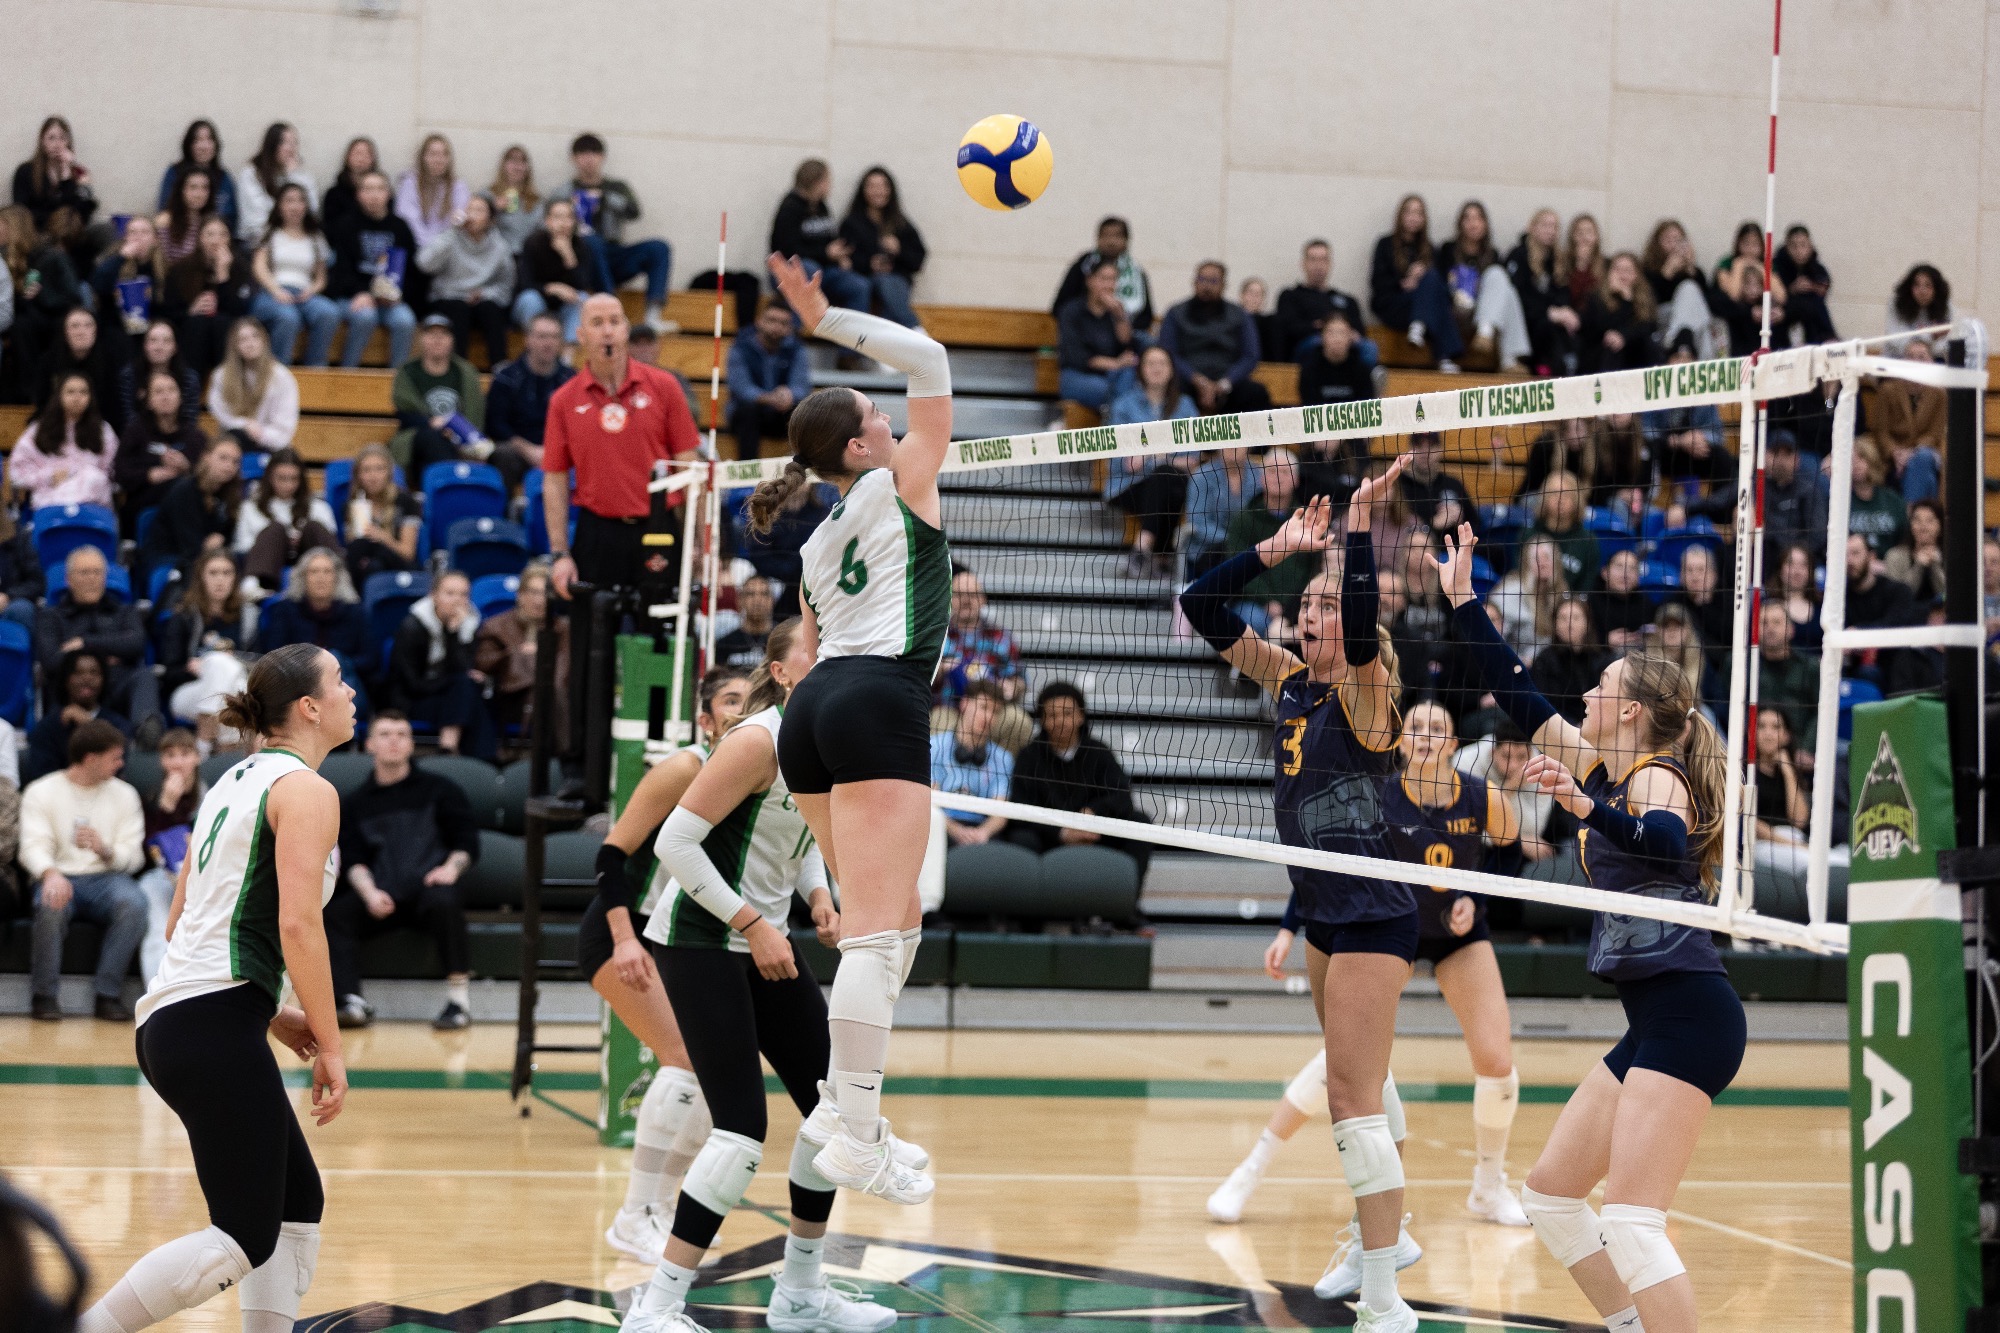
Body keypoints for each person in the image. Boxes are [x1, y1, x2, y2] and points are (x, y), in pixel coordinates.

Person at [1438, 522, 1745, 1333]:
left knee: (1635, 1222)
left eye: (1602, 686)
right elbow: (1521, 696)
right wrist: (1465, 602)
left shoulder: (1660, 779)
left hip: (1691, 1017)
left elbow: (1663, 841)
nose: (1584, 695)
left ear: (1633, 711)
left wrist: (1582, 806)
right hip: (1653, 1025)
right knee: (1550, 1195)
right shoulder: (1612, 771)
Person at [1178, 466, 1424, 1331]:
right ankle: (1389, 1238)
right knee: (1367, 1079)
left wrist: (1356, 530)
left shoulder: (1368, 691)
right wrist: (1272, 550)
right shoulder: (1287, 679)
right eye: (1306, 603)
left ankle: (1386, 1295)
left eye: (1323, 605)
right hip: (1323, 913)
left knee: (1351, 1100)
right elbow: (1202, 606)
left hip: (1374, 915)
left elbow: (1361, 629)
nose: (1308, 613)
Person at [742, 254, 954, 1207]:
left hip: (812, 711)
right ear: (864, 451)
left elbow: (816, 645)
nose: (891, 419)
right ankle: (858, 1127)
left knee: (893, 918)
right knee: (876, 934)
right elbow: (931, 354)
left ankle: (836, 1104)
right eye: (876, 417)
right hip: (875, 702)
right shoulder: (903, 478)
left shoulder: (818, 540)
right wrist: (827, 318)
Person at [623, 624, 907, 1333]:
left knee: (830, 1109)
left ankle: (801, 1291)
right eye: (820, 652)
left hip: (765, 937)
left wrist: (817, 896)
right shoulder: (755, 738)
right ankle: (655, 1306)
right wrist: (753, 921)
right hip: (700, 938)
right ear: (781, 671)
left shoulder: (825, 742)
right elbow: (674, 843)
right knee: (740, 1132)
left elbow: (797, 836)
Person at [76, 645, 354, 1333]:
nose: (352, 692)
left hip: (184, 1017)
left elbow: (181, 922)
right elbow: (297, 923)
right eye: (340, 681)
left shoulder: (229, 783)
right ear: (310, 707)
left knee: (296, 1203)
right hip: (207, 1021)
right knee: (241, 1233)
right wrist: (331, 1042)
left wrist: (271, 1011)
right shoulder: (308, 790)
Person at [1211, 699, 1527, 1233]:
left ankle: (1488, 1188)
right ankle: (1251, 1167)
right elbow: (1326, 866)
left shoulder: (1482, 795)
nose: (1425, 736)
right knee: (1346, 1060)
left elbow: (1513, 850)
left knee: (1497, 1061)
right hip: (1385, 931)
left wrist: (1477, 896)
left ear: (1454, 744)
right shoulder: (1377, 795)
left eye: (1438, 729)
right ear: (1401, 742)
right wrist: (1289, 928)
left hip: (1458, 936)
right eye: (1417, 728)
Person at [582, 664, 750, 1262]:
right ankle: (633, 1215)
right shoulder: (685, 767)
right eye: (729, 700)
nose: (740, 709)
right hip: (622, 933)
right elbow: (611, 854)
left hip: (685, 941)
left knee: (717, 1074)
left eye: (749, 700)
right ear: (705, 718)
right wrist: (625, 939)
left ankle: (663, 1208)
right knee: (683, 1058)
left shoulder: (754, 773)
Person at [324, 711, 480, 1030]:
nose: (394, 741)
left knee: (445, 901)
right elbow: (352, 859)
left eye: (402, 734)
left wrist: (450, 869)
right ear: (369, 745)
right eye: (385, 734)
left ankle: (458, 1003)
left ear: (411, 745)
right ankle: (350, 1002)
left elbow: (466, 841)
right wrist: (369, 894)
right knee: (333, 916)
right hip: (382, 896)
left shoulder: (442, 790)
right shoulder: (354, 803)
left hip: (429, 890)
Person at [544, 294, 702, 597]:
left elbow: (690, 468)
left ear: (626, 330)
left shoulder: (665, 386)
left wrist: (700, 543)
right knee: (595, 634)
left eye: (615, 322)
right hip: (598, 532)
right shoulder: (563, 400)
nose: (607, 331)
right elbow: (554, 479)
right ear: (581, 335)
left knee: (657, 633)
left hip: (658, 528)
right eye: (597, 323)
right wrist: (560, 554)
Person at [22, 718, 146, 1022]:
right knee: (50, 903)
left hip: (107, 877)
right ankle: (44, 995)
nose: (120, 764)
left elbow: (134, 856)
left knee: (134, 904)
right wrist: (50, 873)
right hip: (58, 874)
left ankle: (107, 995)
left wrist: (106, 850)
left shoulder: (125, 794)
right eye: (115, 758)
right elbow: (31, 846)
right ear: (90, 759)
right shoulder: (42, 791)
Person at [1002, 680, 1153, 882]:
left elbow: (1122, 796)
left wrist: (1093, 814)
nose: (1060, 721)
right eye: (1052, 715)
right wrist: (1061, 832)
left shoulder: (1099, 752)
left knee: (1139, 823)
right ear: (1043, 720)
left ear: (1081, 716)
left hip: (1096, 834)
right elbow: (1020, 810)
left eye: (1067, 713)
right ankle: (1028, 909)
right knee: (1021, 838)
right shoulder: (1029, 757)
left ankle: (1124, 906)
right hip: (1049, 839)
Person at [37, 546, 164, 741]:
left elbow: (136, 644)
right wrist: (110, 652)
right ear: (68, 579)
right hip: (73, 692)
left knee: (145, 676)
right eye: (84, 572)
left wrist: (84, 644)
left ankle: (147, 736)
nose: (91, 578)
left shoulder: (125, 611)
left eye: (97, 572)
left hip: (117, 687)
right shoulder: (51, 616)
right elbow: (51, 661)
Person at [1105, 345, 1198, 576]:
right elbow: (1123, 464)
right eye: (1150, 363)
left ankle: (1142, 549)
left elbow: (1192, 460)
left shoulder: (1185, 406)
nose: (1156, 368)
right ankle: (1162, 554)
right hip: (1128, 486)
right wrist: (1165, 457)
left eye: (1162, 363)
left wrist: (1149, 456)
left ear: (1171, 370)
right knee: (1168, 478)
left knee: (1167, 478)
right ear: (1141, 370)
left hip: (1170, 482)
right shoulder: (1123, 406)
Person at [567, 133, 674, 331]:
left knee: (659, 247)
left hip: (614, 254)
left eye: (594, 153)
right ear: (574, 159)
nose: (588, 159)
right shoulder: (566, 190)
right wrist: (570, 208)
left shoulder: (617, 187)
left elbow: (634, 212)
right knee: (591, 241)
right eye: (582, 153)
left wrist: (605, 198)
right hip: (583, 260)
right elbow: (550, 220)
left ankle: (653, 315)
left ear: (602, 157)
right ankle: (614, 311)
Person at [386, 570, 494, 760]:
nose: (457, 601)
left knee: (471, 689)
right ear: (433, 596)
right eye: (450, 593)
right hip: (413, 700)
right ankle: (483, 762)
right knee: (467, 690)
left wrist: (454, 634)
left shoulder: (468, 625)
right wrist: (452, 682)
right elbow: (413, 684)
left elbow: (461, 669)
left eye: (463, 595)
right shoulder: (412, 626)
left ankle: (449, 747)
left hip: (449, 699)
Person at [258, 546, 376, 710]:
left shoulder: (356, 612)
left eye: (327, 572)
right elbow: (273, 655)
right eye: (314, 572)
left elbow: (369, 659)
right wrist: (312, 667)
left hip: (345, 682)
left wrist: (334, 665)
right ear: (302, 578)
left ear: (337, 578)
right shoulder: (284, 610)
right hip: (298, 685)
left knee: (333, 659)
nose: (321, 578)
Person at [158, 550, 253, 744]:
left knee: (230, 676)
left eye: (227, 573)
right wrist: (190, 668)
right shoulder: (183, 616)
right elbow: (168, 671)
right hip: (189, 692)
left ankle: (207, 748)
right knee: (219, 664)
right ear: (201, 577)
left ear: (235, 578)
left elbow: (256, 660)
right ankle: (214, 744)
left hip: (235, 688)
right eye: (213, 573)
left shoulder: (247, 617)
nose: (220, 580)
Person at [326, 170, 418, 370]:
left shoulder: (400, 228)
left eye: (379, 189)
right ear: (359, 195)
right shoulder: (346, 224)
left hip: (390, 300)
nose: (374, 195)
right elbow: (340, 271)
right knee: (365, 316)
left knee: (405, 320)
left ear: (388, 194)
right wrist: (364, 292)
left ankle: (397, 383)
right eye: (368, 189)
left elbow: (412, 271)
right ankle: (347, 374)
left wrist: (398, 295)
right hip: (353, 297)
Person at [933, 567, 1031, 750]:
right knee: (937, 722)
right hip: (950, 709)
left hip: (993, 709)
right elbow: (917, 680)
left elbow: (1021, 680)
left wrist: (1012, 687)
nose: (965, 600)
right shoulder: (938, 636)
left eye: (972, 594)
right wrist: (938, 671)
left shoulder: (1002, 637)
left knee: (1018, 721)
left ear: (982, 599)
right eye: (959, 594)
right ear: (950, 600)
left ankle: (1000, 777)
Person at [1159, 261, 1273, 417]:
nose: (1206, 286)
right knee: (1168, 392)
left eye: (1213, 281)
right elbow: (1168, 353)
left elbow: (1251, 356)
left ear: (1223, 285)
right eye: (1202, 279)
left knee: (1256, 393)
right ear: (1194, 282)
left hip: (1229, 384)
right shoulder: (1176, 313)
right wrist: (1196, 379)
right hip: (1187, 381)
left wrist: (1225, 383)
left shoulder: (1240, 315)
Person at [1224, 450, 1315, 639]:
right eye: (1272, 471)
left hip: (1301, 606)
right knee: (1251, 621)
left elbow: (1313, 573)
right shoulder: (1244, 520)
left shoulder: (1307, 520)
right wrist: (1268, 602)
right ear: (1261, 478)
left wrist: (1289, 609)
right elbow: (1238, 569)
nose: (1278, 477)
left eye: (1284, 472)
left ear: (1296, 480)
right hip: (1255, 605)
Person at [135, 728, 202, 984]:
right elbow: (150, 850)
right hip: (163, 877)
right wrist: (166, 807)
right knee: (159, 927)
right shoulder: (151, 797)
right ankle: (156, 993)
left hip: (203, 877)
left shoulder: (212, 795)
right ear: (161, 761)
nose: (177, 762)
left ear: (197, 757)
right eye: (170, 755)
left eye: (185, 754)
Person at [475, 560, 568, 742]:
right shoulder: (496, 626)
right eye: (533, 592)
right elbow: (483, 662)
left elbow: (567, 668)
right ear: (520, 595)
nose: (539, 600)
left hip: (552, 697)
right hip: (510, 698)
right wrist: (522, 655)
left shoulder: (563, 629)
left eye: (545, 593)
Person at [249, 182, 339, 367]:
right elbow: (259, 267)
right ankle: (279, 370)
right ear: (279, 206)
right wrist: (276, 290)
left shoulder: (315, 237)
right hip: (271, 292)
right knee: (288, 317)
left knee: (329, 312)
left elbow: (321, 277)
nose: (295, 206)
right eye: (289, 201)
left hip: (304, 293)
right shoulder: (269, 233)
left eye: (300, 201)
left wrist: (312, 290)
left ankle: (315, 368)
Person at [418, 191, 513, 366]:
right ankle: (458, 370)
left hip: (481, 298)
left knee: (491, 310)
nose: (473, 215)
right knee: (458, 309)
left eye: (479, 210)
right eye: (469, 209)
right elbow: (424, 264)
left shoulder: (499, 247)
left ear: (491, 220)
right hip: (448, 297)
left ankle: (500, 370)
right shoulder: (451, 236)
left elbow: (506, 284)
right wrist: (452, 231)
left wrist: (484, 293)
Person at [390, 313, 488, 478]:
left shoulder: (466, 372)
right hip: (419, 437)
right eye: (431, 334)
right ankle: (444, 484)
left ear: (452, 340)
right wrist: (431, 422)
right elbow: (404, 413)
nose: (437, 339)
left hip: (462, 437)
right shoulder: (407, 371)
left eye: (443, 334)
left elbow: (476, 412)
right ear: (421, 338)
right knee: (434, 438)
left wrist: (462, 434)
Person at [767, 158, 870, 314]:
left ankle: (852, 336)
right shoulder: (790, 207)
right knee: (808, 269)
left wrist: (840, 256)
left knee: (858, 285)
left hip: (822, 270)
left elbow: (829, 239)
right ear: (818, 182)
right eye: (828, 181)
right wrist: (825, 253)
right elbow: (786, 250)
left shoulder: (822, 207)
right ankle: (794, 333)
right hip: (790, 273)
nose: (829, 186)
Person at [1371, 194, 1462, 370]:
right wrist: (1403, 283)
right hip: (1395, 305)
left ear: (1424, 218)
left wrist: (1423, 279)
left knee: (1433, 278)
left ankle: (1419, 324)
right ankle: (1444, 356)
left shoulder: (1431, 248)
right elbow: (1377, 282)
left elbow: (1441, 289)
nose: (1413, 217)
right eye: (1409, 212)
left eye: (1418, 213)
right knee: (1433, 286)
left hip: (1421, 307)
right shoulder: (1385, 244)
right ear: (1401, 216)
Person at [1436, 200, 1531, 368]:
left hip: (1482, 312)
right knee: (1507, 289)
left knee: (1501, 279)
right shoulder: (1447, 250)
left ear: (1485, 224)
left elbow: (1497, 293)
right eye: (1468, 218)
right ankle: (1508, 356)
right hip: (1454, 312)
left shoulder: (1492, 254)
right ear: (1461, 224)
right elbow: (1439, 284)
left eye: (1478, 218)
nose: (1473, 223)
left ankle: (1486, 332)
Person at [140, 436, 241, 592]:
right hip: (171, 558)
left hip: (205, 557)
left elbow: (228, 534)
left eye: (235, 462)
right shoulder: (185, 490)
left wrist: (219, 541)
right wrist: (212, 546)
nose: (229, 466)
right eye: (223, 458)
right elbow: (190, 546)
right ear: (206, 457)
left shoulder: (230, 495)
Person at [235, 447, 338, 594]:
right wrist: (279, 541)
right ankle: (252, 586)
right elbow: (242, 546)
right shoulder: (250, 507)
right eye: (281, 478)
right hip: (268, 568)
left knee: (313, 527)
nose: (288, 485)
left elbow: (329, 542)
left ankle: (340, 584)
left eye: (293, 479)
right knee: (276, 529)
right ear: (270, 477)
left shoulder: (318, 507)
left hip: (310, 562)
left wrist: (298, 542)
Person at [164, 215, 255, 379]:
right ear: (199, 238)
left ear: (229, 239)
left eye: (222, 235)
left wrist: (223, 277)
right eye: (210, 234)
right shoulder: (180, 269)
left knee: (222, 322)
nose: (216, 240)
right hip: (191, 336)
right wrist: (190, 310)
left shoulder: (240, 268)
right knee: (197, 322)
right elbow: (168, 312)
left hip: (224, 336)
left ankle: (228, 386)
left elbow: (239, 312)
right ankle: (190, 388)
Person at [1, 204, 81, 386]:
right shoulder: (4, 259)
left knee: (23, 327)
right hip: (23, 322)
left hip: (54, 319)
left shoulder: (52, 256)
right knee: (21, 326)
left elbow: (73, 297)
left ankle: (36, 391)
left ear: (13, 227)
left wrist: (42, 295)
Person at [11, 369, 117, 509]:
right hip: (50, 504)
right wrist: (49, 477)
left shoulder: (103, 430)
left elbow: (113, 472)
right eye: (70, 392)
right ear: (59, 396)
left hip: (93, 504)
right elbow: (17, 472)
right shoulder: (38, 430)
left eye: (83, 392)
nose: (77, 397)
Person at [836, 165, 925, 329]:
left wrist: (899, 250)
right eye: (872, 186)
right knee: (884, 286)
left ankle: (882, 351)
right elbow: (845, 259)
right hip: (866, 280)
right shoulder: (852, 223)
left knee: (890, 300)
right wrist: (869, 264)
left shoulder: (900, 222)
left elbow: (918, 259)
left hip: (896, 280)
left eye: (883, 186)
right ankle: (915, 328)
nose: (879, 191)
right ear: (863, 190)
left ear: (890, 190)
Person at [25, 649, 130, 784]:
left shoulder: (118, 724)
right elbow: (40, 779)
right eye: (78, 673)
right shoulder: (48, 727)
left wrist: (90, 725)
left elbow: (118, 769)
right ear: (66, 680)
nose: (87, 678)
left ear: (104, 680)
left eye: (94, 673)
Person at [931, 680, 1012, 848]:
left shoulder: (1003, 758)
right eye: (984, 707)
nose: (989, 717)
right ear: (965, 703)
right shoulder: (934, 747)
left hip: (982, 831)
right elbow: (930, 804)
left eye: (996, 712)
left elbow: (1000, 814)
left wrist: (983, 833)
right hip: (941, 825)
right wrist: (956, 830)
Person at [727, 302, 813, 459]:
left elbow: (801, 385)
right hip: (748, 415)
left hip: (781, 413)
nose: (777, 327)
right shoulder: (741, 346)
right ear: (759, 321)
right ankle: (746, 472)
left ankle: (802, 471)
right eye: (771, 320)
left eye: (783, 323)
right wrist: (768, 398)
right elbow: (741, 387)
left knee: (804, 413)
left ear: (790, 328)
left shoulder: (796, 349)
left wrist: (789, 394)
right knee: (748, 410)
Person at [1055, 255, 1138, 412]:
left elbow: (1127, 345)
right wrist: (1116, 364)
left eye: (1113, 279)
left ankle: (1117, 421)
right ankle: (1119, 426)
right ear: (1090, 281)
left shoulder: (1116, 312)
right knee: (1110, 391)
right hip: (1077, 375)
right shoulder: (1071, 311)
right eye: (1103, 279)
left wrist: (1120, 316)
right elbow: (1077, 356)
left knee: (1130, 378)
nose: (1108, 285)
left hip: (1112, 374)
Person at [1642, 334, 1728, 482]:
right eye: (1676, 357)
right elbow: (1645, 432)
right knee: (1645, 452)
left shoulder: (1704, 394)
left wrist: (1698, 437)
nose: (1682, 363)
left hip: (1694, 455)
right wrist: (1678, 441)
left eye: (1688, 358)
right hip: (1664, 455)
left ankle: (1718, 504)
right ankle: (1643, 500)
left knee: (1723, 458)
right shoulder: (1655, 390)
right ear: (1668, 362)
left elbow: (1718, 434)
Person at [1506, 209, 1582, 375]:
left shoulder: (1557, 260)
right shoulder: (1519, 255)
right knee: (1546, 327)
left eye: (1554, 227)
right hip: (1524, 323)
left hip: (1550, 323)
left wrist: (1564, 312)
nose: (1550, 231)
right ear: (1532, 227)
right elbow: (1518, 296)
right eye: (1545, 225)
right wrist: (1549, 312)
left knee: (1568, 329)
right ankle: (1546, 370)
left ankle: (1566, 371)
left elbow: (1562, 293)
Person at [206, 318, 297, 456]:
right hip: (233, 444)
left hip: (271, 447)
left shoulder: (282, 377)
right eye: (242, 339)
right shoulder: (221, 375)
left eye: (255, 336)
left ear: (264, 340)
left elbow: (285, 426)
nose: (250, 344)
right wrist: (244, 425)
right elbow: (220, 412)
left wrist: (261, 434)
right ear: (234, 345)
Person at [1050, 216, 1154, 334]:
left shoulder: (1136, 272)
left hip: (1128, 333)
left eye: (1117, 236)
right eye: (1106, 235)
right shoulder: (1083, 266)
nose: (1111, 242)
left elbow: (1146, 316)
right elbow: (1060, 307)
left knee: (1151, 349)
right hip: (1086, 332)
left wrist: (1122, 324)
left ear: (1127, 240)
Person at [339, 438, 422, 585]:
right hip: (365, 566)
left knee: (378, 559)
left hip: (398, 564)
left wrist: (383, 537)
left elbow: (408, 554)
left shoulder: (407, 502)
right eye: (367, 470)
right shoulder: (351, 505)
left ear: (389, 472)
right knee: (361, 550)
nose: (373, 476)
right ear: (358, 475)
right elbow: (353, 550)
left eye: (379, 469)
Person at [1273, 238, 1370, 363]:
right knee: (1317, 345)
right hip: (1309, 346)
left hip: (1345, 347)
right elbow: (1289, 328)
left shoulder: (1347, 301)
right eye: (1313, 260)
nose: (1318, 265)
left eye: (1323, 260)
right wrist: (1321, 329)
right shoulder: (1290, 296)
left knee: (1369, 348)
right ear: (1304, 264)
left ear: (1330, 264)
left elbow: (1359, 330)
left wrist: (1342, 335)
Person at [89, 215, 169, 360]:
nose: (138, 237)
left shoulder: (163, 269)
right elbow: (97, 285)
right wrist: (121, 257)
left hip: (151, 327)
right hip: (116, 327)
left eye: (144, 232)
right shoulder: (115, 260)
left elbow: (170, 306)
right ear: (125, 238)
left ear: (155, 240)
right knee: (119, 338)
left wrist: (151, 297)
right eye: (133, 232)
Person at [513, 196, 592, 340]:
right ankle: (536, 346)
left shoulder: (581, 246)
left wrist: (569, 257)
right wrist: (552, 288)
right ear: (547, 221)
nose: (563, 223)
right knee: (530, 298)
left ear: (574, 222)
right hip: (534, 304)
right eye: (557, 217)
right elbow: (524, 284)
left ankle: (567, 356)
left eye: (568, 218)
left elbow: (583, 285)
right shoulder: (533, 243)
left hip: (563, 308)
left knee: (583, 299)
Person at [1639, 220, 1716, 361]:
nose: (1674, 245)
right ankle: (1682, 344)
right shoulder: (1649, 270)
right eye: (1668, 240)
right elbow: (1649, 300)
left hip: (1693, 328)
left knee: (1690, 289)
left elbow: (1705, 303)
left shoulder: (1695, 273)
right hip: (1663, 320)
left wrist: (1691, 270)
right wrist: (1667, 272)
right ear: (1657, 244)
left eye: (1678, 240)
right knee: (1688, 288)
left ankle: (1681, 347)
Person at [114, 318, 203, 434]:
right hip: (139, 439)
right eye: (153, 341)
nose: (159, 347)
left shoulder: (190, 379)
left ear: (175, 347)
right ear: (145, 346)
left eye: (166, 341)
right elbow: (128, 418)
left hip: (179, 439)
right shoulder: (129, 375)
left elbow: (190, 421)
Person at [1182, 446, 1260, 578]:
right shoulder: (1201, 476)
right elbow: (1198, 522)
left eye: (1239, 441)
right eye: (1228, 441)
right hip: (1208, 552)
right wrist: (1233, 540)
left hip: (1250, 550)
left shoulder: (1260, 476)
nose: (1233, 446)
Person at [1531, 596, 1610, 725]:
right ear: (1555, 623)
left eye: (1576, 618)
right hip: (1557, 729)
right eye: (1563, 618)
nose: (1569, 624)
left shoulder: (1602, 660)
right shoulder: (1544, 660)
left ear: (1588, 623)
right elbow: (1544, 705)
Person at [13, 117, 98, 235]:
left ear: (68, 142)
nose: (57, 144)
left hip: (72, 236)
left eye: (62, 138)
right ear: (42, 142)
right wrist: (56, 219)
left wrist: (66, 175)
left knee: (104, 229)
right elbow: (21, 212)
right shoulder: (26, 171)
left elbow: (83, 215)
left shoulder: (78, 173)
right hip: (39, 233)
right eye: (51, 138)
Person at [33, 306, 120, 422]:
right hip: (56, 423)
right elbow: (42, 401)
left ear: (96, 331)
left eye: (88, 326)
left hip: (97, 424)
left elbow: (113, 406)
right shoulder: (48, 361)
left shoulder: (109, 361)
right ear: (64, 331)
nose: (81, 332)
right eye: (74, 326)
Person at [1490, 533, 1567, 663]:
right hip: (1513, 664)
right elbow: (1495, 638)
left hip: (1548, 664)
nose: (1542, 564)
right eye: (1536, 559)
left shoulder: (1562, 592)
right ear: (1527, 563)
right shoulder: (1510, 592)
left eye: (1547, 558)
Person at [235, 122, 316, 245]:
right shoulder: (251, 174)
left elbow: (312, 210)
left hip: (295, 239)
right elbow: (257, 217)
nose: (291, 148)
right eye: (284, 142)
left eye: (294, 143)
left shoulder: (302, 176)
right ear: (272, 145)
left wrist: (293, 176)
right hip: (257, 241)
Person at [1755, 598, 1818, 755]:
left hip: (1800, 749)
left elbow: (1821, 711)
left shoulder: (1809, 667)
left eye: (1776, 622)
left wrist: (1806, 748)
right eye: (1764, 623)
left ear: (1791, 629)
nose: (1770, 628)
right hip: (1754, 749)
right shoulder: (1744, 666)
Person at [1581, 252, 1660, 373]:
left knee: (1649, 345)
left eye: (1628, 270)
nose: (1622, 274)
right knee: (1612, 346)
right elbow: (1599, 327)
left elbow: (1648, 326)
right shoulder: (1596, 297)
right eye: (1617, 269)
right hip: (1602, 352)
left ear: (1636, 275)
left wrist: (1627, 300)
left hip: (1633, 351)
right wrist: (1620, 298)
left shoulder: (1645, 298)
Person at [158, 119, 240, 234]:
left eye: (209, 140)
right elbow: (164, 211)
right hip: (179, 234)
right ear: (189, 144)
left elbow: (232, 218)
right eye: (197, 140)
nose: (204, 146)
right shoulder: (175, 172)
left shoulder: (224, 177)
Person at [394, 133, 468, 258]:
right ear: (423, 157)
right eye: (433, 154)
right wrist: (429, 245)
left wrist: (439, 245)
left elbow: (459, 218)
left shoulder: (458, 187)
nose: (438, 159)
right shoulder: (410, 183)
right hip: (415, 248)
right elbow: (407, 219)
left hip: (446, 250)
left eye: (444, 154)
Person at [1531, 470, 1598, 592]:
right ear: (1544, 497)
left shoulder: (1588, 541)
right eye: (1554, 493)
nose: (1560, 499)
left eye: (1566, 494)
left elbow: (1586, 588)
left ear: (1576, 499)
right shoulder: (1529, 535)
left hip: (1571, 607)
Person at [1296, 310, 1375, 411]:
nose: (1337, 339)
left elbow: (1365, 408)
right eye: (1331, 332)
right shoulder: (1309, 369)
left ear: (1351, 336)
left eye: (1342, 333)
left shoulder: (1362, 370)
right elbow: (1309, 407)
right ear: (1322, 336)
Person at [1847, 436, 1909, 557]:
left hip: (1889, 567)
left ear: (1872, 460)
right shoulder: (1841, 503)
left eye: (1861, 458)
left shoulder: (1892, 500)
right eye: (1852, 460)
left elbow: (1904, 539)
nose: (1856, 464)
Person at [1884, 498, 1946, 604]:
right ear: (1911, 525)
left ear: (1940, 526)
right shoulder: (1895, 556)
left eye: (1930, 521)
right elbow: (1897, 598)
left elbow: (1950, 596)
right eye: (1917, 520)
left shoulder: (1951, 555)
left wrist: (1935, 565)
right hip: (1906, 617)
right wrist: (1918, 566)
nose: (1923, 527)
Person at [1590, 548, 1653, 652]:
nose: (1625, 574)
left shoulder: (1646, 604)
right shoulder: (1590, 602)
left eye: (1632, 569)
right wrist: (1604, 641)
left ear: (1638, 577)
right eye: (1619, 567)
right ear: (1605, 572)